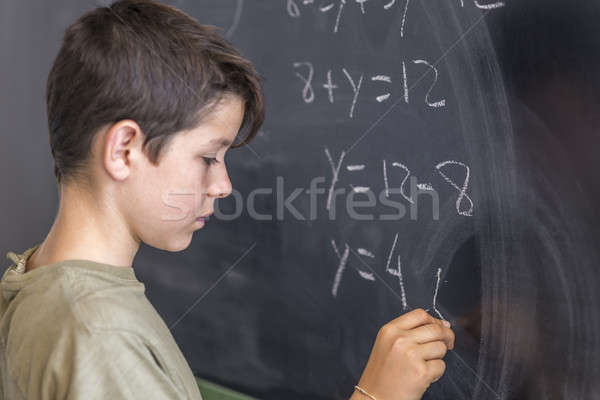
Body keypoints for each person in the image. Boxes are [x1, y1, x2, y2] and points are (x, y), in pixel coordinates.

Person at [0, 1, 455, 399]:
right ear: (123, 151)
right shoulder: (99, 337)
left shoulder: (36, 283)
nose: (223, 185)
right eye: (208, 157)